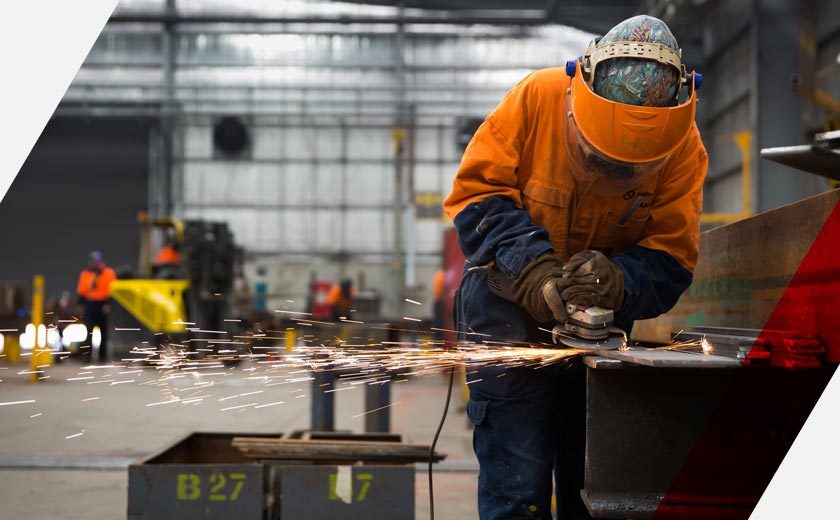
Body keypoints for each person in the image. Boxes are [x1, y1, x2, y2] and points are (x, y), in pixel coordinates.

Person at [443, 15, 707, 519]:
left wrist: (620, 280)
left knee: (595, 488)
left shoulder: (683, 149)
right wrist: (535, 271)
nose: (610, 175)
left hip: (600, 333)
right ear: (580, 92)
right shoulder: (538, 99)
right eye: (599, 157)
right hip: (506, 313)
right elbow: (476, 197)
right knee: (517, 483)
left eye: (628, 171)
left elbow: (672, 257)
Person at [76, 251, 117, 362]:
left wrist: (109, 304)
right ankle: (87, 357)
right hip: (90, 306)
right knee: (89, 332)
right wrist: (81, 305)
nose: (94, 264)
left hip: (103, 305)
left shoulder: (109, 273)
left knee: (103, 333)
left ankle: (102, 357)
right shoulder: (85, 274)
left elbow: (113, 291)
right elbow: (82, 292)